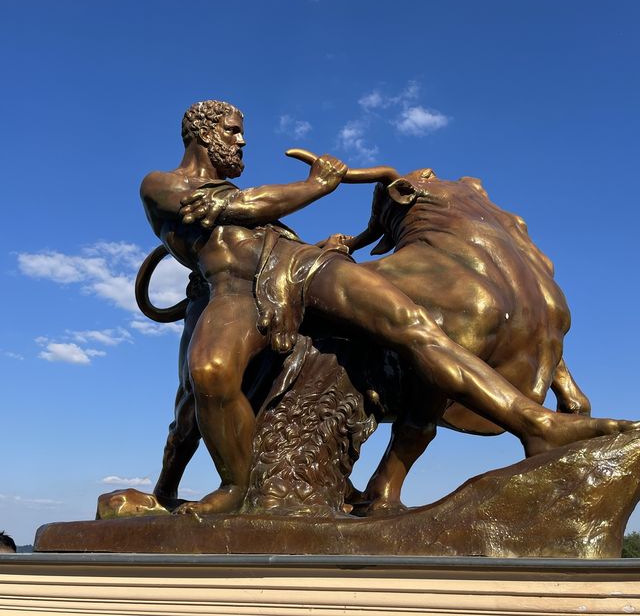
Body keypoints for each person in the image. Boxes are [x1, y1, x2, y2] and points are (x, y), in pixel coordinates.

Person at [141, 99, 639, 516]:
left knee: (413, 326)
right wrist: (318, 185)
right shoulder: (162, 184)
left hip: (297, 265)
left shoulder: (243, 202)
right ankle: (235, 488)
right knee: (207, 375)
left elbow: (255, 219)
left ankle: (537, 425)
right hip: (231, 290)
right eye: (234, 132)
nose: (243, 142)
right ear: (203, 133)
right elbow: (243, 208)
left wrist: (332, 247)